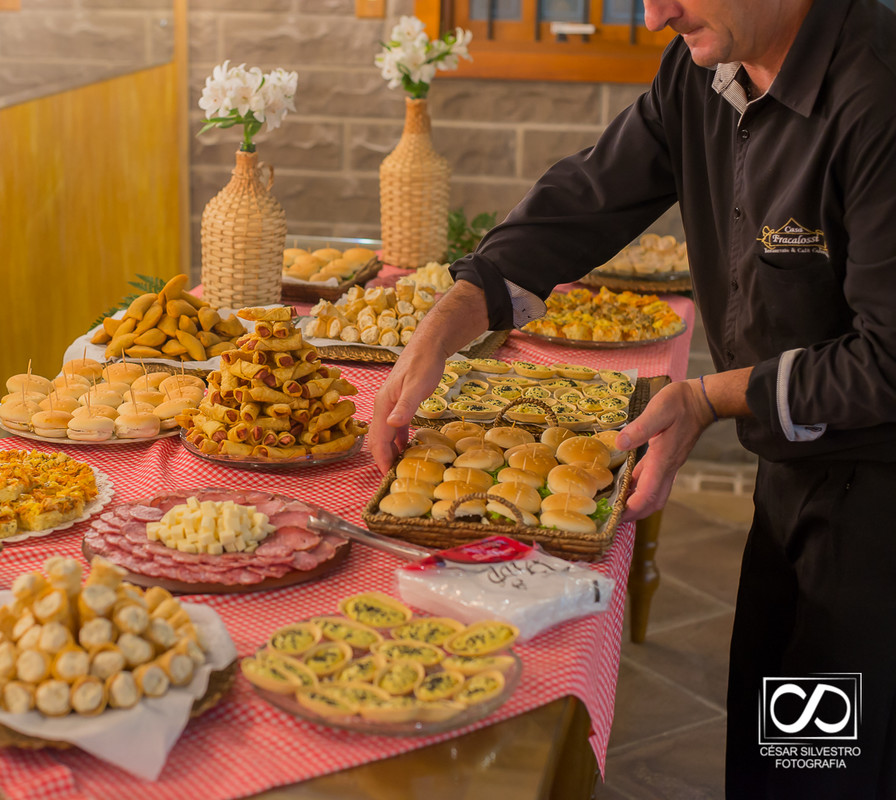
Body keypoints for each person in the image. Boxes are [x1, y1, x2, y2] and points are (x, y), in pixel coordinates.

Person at [369, 0, 896, 796]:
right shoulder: (706, 68)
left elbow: (888, 360)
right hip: (798, 476)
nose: (655, 14)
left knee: (829, 767)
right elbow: (588, 195)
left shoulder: (879, 92)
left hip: (880, 501)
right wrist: (460, 305)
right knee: (778, 751)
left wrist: (708, 397)